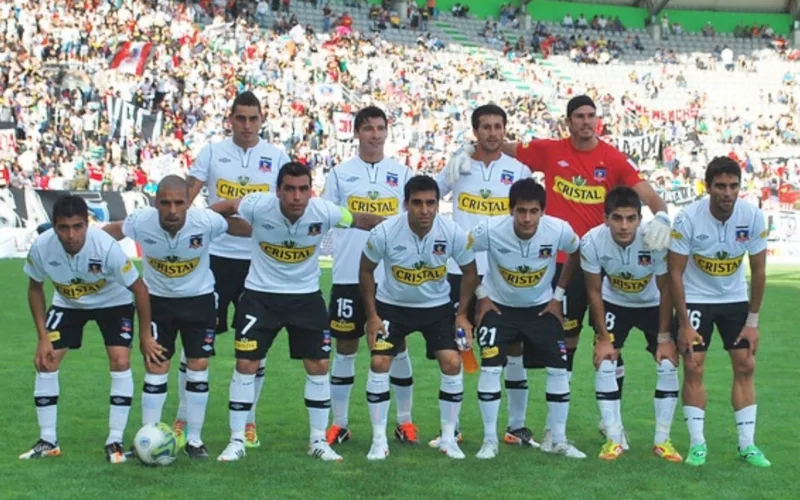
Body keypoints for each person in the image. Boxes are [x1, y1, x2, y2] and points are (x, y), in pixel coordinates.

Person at [446, 95, 670, 445]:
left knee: (609, 342)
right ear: (568, 121)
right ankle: (553, 427)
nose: (586, 122)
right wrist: (468, 148)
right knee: (564, 343)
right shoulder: (550, 150)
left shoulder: (611, 158)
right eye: (579, 116)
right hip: (556, 263)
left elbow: (644, 191)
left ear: (598, 120)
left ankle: (610, 421)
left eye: (591, 116)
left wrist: (664, 214)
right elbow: (499, 143)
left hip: (595, 262)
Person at [210, 162, 383, 462]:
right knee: (245, 365)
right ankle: (236, 440)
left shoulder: (325, 211)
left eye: (303, 189)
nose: (296, 196)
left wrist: (399, 226)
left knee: (318, 366)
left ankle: (318, 441)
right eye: (289, 189)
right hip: (260, 296)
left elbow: (360, 219)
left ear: (310, 191)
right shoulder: (257, 204)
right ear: (277, 191)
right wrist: (196, 221)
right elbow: (227, 207)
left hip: (306, 297)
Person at [103, 176, 251, 458]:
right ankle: (148, 437)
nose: (172, 210)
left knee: (198, 365)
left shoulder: (206, 222)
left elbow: (237, 225)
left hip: (200, 302)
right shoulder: (140, 221)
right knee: (156, 367)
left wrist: (267, 230)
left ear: (188, 203)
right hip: (158, 304)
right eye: (165, 203)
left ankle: (194, 440)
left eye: (179, 203)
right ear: (155, 203)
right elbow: (113, 231)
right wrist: (89, 240)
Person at [184, 91, 290, 448]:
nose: (247, 125)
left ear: (262, 119)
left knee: (253, 348)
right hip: (213, 261)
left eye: (253, 118)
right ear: (230, 118)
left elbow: (287, 208)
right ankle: (184, 417)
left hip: (258, 264)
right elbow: (187, 202)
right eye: (240, 118)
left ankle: (249, 421)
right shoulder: (212, 152)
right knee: (196, 344)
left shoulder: (276, 157)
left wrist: (233, 219)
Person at [19, 195, 152, 464]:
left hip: (113, 303)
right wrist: (42, 337)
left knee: (120, 360)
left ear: (87, 224)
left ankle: (114, 440)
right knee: (46, 361)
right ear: (54, 226)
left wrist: (146, 335)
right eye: (63, 228)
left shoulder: (105, 247)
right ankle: (48, 441)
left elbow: (140, 289)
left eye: (77, 226)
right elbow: (34, 288)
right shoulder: (42, 247)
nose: (71, 235)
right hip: (68, 304)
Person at [433, 104, 536, 448]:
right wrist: (449, 170)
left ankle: (516, 427)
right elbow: (426, 198)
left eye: (498, 126)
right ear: (475, 131)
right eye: (486, 127)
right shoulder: (459, 165)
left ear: (504, 130)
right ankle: (454, 427)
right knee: (458, 345)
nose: (492, 133)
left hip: (503, 273)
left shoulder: (519, 169)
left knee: (514, 347)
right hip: (460, 271)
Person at [359, 175, 478, 460]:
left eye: (430, 203)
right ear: (406, 204)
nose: (424, 210)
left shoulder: (452, 232)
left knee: (451, 363)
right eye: (417, 203)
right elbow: (365, 270)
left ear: (438, 205)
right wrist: (373, 316)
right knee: (379, 361)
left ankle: (449, 438)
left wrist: (461, 314)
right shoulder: (385, 232)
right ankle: (378, 441)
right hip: (392, 306)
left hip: (436, 308)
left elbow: (470, 271)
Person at [470, 178, 585, 459]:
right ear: (510, 210)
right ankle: (489, 441)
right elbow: (463, 251)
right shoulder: (489, 229)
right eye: (521, 211)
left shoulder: (558, 230)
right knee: (490, 369)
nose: (527, 218)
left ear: (542, 211)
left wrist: (557, 295)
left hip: (541, 308)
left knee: (559, 368)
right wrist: (481, 294)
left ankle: (558, 439)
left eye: (533, 211)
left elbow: (576, 251)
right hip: (498, 307)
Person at [321, 106, 416, 446]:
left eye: (380, 128)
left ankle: (405, 422)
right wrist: (355, 218)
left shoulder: (402, 173)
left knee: (396, 347)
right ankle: (340, 423)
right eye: (368, 128)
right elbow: (326, 216)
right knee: (345, 347)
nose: (375, 134)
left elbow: (413, 220)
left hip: (391, 278)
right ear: (357, 132)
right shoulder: (339, 175)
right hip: (348, 273)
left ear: (387, 132)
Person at [668, 157, 770, 467]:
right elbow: (675, 273)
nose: (727, 193)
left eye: (733, 186)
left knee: (745, 365)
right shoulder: (688, 219)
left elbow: (759, 270)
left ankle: (747, 445)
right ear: (708, 186)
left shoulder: (752, 216)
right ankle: (698, 445)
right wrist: (683, 323)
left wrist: (752, 322)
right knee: (694, 365)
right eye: (721, 186)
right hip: (697, 298)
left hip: (734, 299)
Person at [581, 186, 681, 462]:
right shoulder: (592, 242)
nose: (624, 226)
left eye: (631, 218)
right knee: (605, 361)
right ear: (606, 218)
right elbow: (593, 291)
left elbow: (665, 289)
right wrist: (603, 337)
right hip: (615, 303)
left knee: (667, 363)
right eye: (617, 218)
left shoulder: (655, 240)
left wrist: (664, 336)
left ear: (640, 218)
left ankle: (663, 441)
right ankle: (613, 439)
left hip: (652, 305)